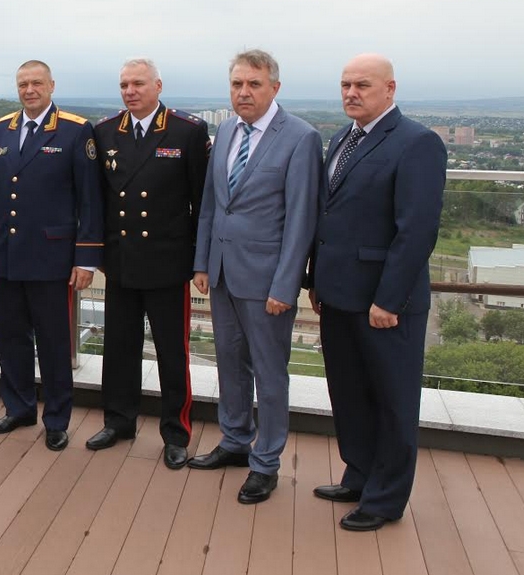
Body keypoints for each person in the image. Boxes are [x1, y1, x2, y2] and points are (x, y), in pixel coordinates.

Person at [309, 54, 446, 532]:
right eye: (345, 84)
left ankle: (385, 499)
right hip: (337, 295)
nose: (351, 93)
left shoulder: (417, 143)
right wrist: (316, 280)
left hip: (385, 303)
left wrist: (389, 299)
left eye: (362, 85)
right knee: (349, 395)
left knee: (392, 402)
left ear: (390, 88)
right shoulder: (340, 138)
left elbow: (417, 231)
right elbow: (329, 218)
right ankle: (360, 476)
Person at [190, 49, 322, 504]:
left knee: (269, 374)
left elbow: (302, 220)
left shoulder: (301, 138)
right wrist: (202, 262)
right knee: (229, 363)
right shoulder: (227, 130)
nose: (243, 92)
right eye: (237, 84)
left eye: (254, 84)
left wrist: (286, 285)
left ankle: (265, 462)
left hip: (267, 283)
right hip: (223, 274)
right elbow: (212, 203)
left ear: (275, 88)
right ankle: (234, 441)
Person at [0, 60, 103, 451]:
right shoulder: (0, 130)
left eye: (37, 83)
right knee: (10, 338)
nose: (29, 90)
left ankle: (57, 419)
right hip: (7, 255)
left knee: (54, 343)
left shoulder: (76, 130)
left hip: (52, 257)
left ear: (51, 86)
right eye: (23, 84)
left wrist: (86, 258)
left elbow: (90, 200)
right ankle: (19, 408)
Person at [86, 58, 209, 469]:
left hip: (167, 262)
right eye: (124, 85)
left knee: (172, 353)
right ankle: (118, 421)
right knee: (119, 348)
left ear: (158, 85)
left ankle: (176, 433)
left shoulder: (186, 130)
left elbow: (201, 203)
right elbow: (99, 199)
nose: (130, 91)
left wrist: (199, 261)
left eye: (138, 83)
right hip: (121, 260)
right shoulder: (106, 131)